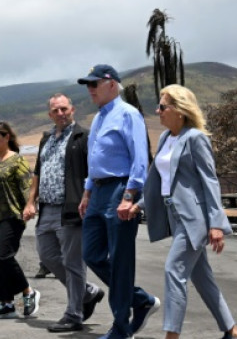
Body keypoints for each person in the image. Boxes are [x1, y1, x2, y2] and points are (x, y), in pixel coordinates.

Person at [131, 85, 237, 339]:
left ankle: (172, 336)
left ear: (180, 111)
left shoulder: (195, 138)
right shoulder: (164, 139)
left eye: (163, 106)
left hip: (195, 220)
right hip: (175, 217)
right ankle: (233, 332)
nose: (157, 111)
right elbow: (157, 181)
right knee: (202, 278)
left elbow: (210, 181)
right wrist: (138, 205)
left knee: (174, 271)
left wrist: (216, 224)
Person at [77, 65, 159, 339]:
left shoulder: (128, 114)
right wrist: (87, 193)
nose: (90, 89)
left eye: (94, 84)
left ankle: (121, 327)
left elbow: (139, 158)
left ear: (112, 84)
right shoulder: (99, 118)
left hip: (120, 189)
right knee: (91, 254)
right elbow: (94, 161)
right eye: (87, 85)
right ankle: (140, 299)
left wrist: (129, 196)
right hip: (98, 192)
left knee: (121, 260)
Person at [22, 94, 104, 332]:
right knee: (47, 256)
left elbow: (94, 171)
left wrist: (88, 199)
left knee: (73, 262)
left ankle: (74, 314)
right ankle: (88, 292)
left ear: (73, 110)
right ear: (50, 114)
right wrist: (30, 202)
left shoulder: (84, 136)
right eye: (55, 110)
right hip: (47, 208)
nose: (60, 113)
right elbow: (38, 172)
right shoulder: (46, 138)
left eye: (64, 109)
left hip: (72, 207)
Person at [0, 121, 40, 319]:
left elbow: (27, 187)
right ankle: (5, 304)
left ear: (7, 138)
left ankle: (28, 291)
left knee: (3, 256)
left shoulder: (17, 161)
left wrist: (30, 206)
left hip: (12, 215)